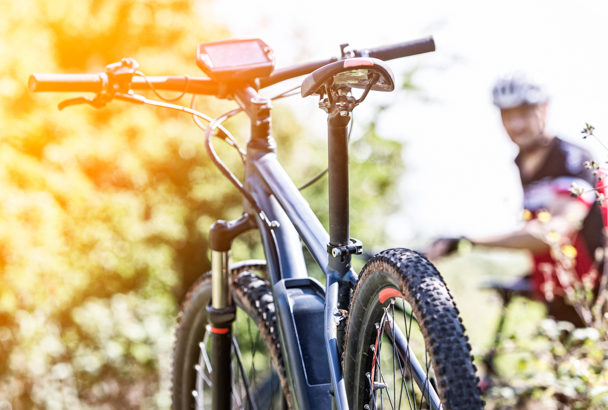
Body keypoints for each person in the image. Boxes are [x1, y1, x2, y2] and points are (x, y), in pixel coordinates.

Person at [427, 73, 606, 326]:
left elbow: (553, 233)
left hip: (596, 294)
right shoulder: (521, 162)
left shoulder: (572, 159)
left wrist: (470, 241)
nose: (516, 124)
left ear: (543, 109)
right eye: (507, 115)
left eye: (524, 113)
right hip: (558, 292)